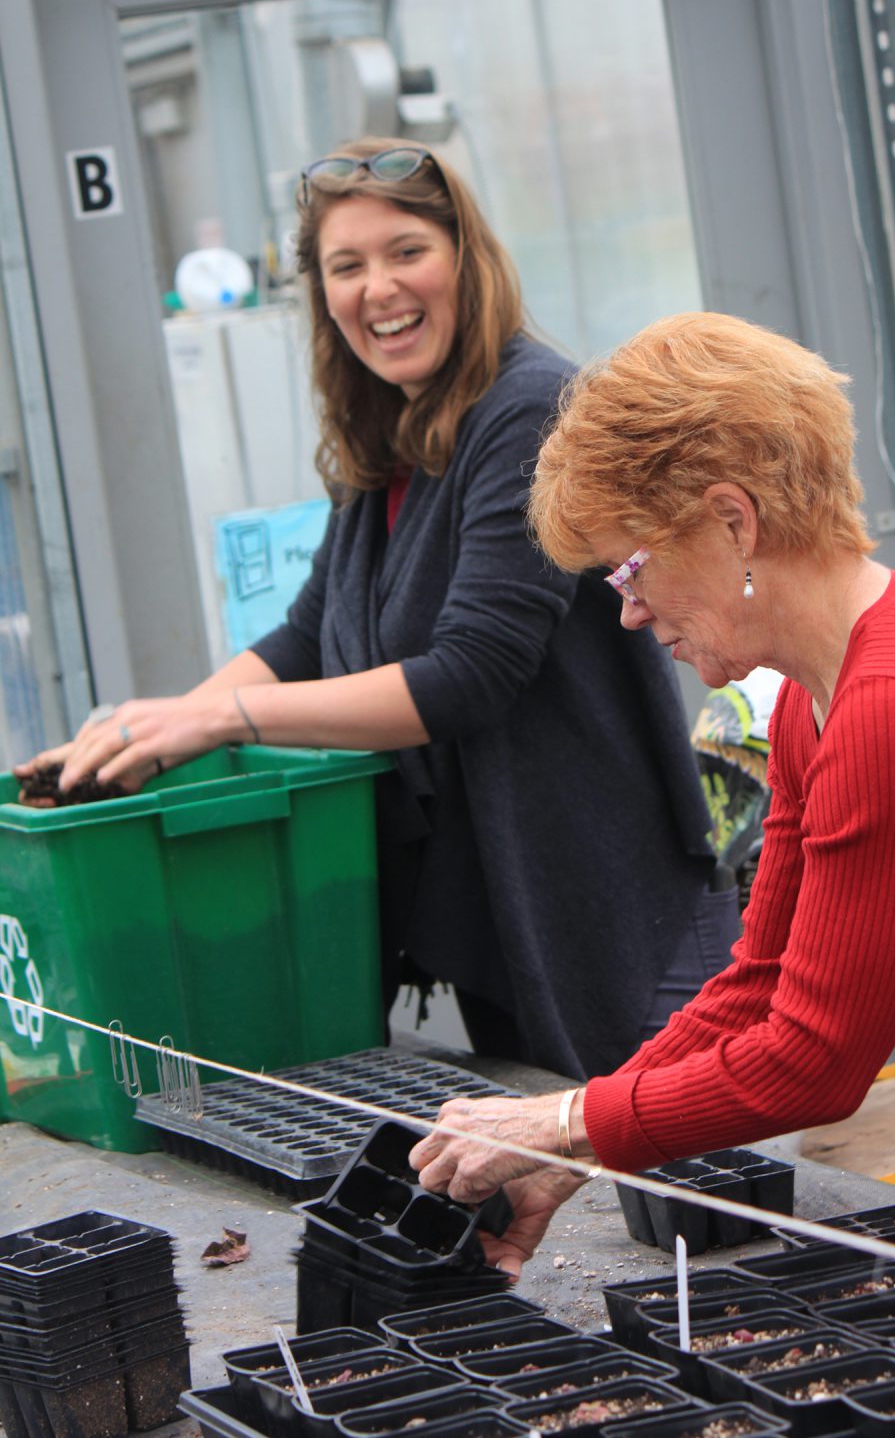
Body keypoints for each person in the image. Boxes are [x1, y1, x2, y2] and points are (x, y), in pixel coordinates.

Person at [16, 141, 738, 1080]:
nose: (379, 288)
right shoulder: (397, 430)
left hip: (600, 912)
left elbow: (469, 674)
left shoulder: (527, 410)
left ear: (464, 260)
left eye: (405, 251)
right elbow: (311, 634)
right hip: (500, 910)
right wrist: (149, 735)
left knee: (660, 1206)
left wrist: (215, 721)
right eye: (345, 266)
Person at [409, 309, 895, 1281]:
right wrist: (571, 1153)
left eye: (630, 568)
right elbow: (758, 982)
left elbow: (816, 1059)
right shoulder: (823, 702)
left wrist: (565, 1119)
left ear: (733, 521)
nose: (630, 610)